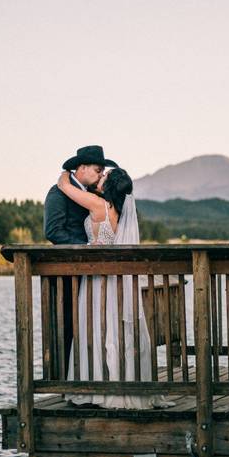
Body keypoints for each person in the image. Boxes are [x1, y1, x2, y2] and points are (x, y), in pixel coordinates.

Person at [55, 165, 173, 409]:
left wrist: (68, 171)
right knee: (115, 331)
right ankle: (124, 383)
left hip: (98, 280)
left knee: (96, 329)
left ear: (109, 186)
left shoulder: (99, 206)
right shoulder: (120, 212)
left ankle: (97, 386)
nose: (101, 177)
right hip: (118, 281)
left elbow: (64, 187)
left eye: (104, 176)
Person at [43, 146, 117, 367]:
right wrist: (84, 247)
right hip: (68, 270)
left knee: (90, 325)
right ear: (82, 168)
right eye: (97, 170)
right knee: (67, 325)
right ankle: (65, 377)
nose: (100, 175)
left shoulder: (94, 194)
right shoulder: (57, 193)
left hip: (92, 272)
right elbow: (53, 231)